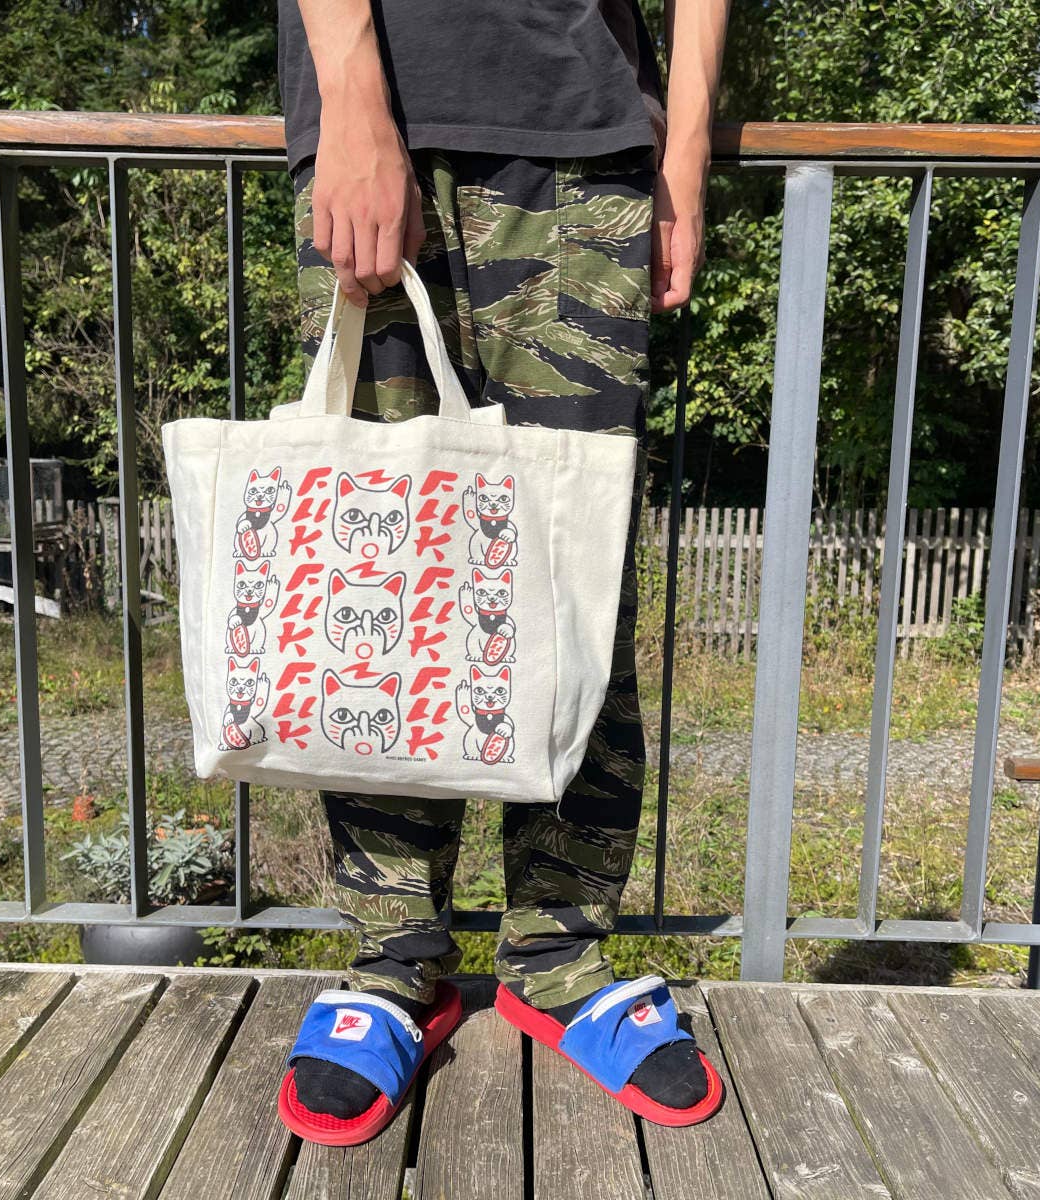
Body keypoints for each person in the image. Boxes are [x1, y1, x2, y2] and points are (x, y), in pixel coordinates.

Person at [276, 0, 731, 1131]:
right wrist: (354, 102)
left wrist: (682, 153)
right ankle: (394, 960)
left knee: (579, 577)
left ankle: (561, 955)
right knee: (378, 573)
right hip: (372, 127)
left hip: (586, 133)